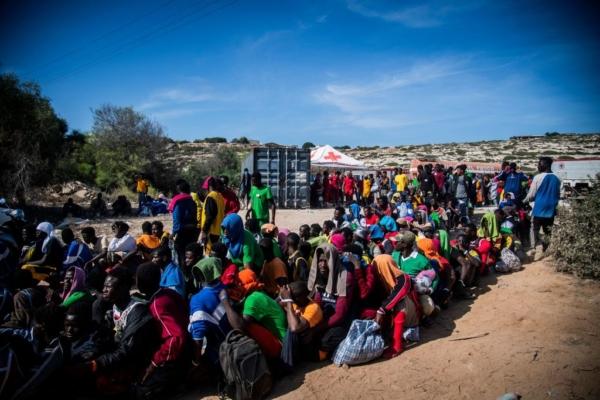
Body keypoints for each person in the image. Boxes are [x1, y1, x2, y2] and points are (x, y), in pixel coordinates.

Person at [80, 267, 157, 396]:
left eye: (109, 287)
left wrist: (97, 363)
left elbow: (128, 350)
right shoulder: (114, 306)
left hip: (136, 364)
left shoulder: (137, 311)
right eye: (104, 286)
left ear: (123, 289)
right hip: (119, 358)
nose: (104, 290)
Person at [135, 262, 189, 399]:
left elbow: (175, 337)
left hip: (176, 355)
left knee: (142, 390)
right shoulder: (167, 292)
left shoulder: (157, 304)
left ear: (142, 283)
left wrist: (154, 363)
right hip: (187, 346)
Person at [220, 269, 287, 359]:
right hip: (285, 341)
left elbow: (239, 327)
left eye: (234, 286)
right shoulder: (257, 293)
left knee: (248, 327)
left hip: (284, 348)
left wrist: (225, 302)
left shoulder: (252, 300)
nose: (232, 291)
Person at [307, 243, 354, 360]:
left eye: (326, 261)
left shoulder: (344, 278)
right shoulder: (321, 276)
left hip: (342, 321)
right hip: (326, 319)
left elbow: (340, 314)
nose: (322, 265)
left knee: (326, 340)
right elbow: (318, 301)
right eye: (320, 261)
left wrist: (316, 329)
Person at [188, 256, 231, 369]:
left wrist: (196, 363)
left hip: (219, 351)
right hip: (233, 338)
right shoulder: (225, 288)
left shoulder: (197, 300)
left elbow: (198, 338)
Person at [279, 281, 324, 365]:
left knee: (291, 328)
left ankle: (286, 364)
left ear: (298, 298)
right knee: (290, 318)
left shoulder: (313, 308)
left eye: (292, 297)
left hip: (315, 351)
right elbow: (279, 303)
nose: (292, 301)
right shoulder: (299, 303)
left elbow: (294, 328)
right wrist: (282, 295)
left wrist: (288, 301)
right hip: (304, 346)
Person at [524, 157, 561, 259]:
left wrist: (524, 201)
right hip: (551, 209)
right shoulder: (557, 177)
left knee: (534, 228)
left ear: (545, 165)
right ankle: (546, 249)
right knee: (548, 230)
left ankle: (533, 248)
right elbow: (559, 194)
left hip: (539, 208)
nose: (538, 166)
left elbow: (531, 195)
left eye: (540, 164)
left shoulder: (538, 177)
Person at [169, 179, 199, 268]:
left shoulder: (178, 201)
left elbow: (177, 221)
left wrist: (174, 233)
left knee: (182, 257)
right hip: (193, 232)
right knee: (191, 257)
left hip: (182, 233)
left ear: (178, 189)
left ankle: (183, 278)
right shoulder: (192, 201)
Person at [199, 176, 225, 255]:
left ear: (209, 187)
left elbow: (210, 217)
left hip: (211, 232)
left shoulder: (210, 197)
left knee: (209, 255)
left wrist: (203, 231)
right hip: (218, 231)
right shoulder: (220, 196)